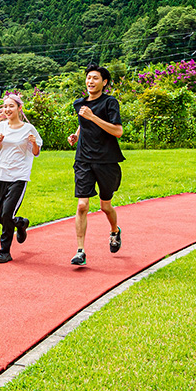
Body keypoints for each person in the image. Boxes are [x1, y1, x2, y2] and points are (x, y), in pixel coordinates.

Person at [67, 65, 125, 266]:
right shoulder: (80, 104)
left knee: (105, 206)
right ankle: (80, 251)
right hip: (83, 159)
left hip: (107, 161)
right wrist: (77, 134)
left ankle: (115, 230)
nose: (90, 81)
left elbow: (118, 131)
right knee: (82, 205)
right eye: (88, 78)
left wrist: (92, 117)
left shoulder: (110, 103)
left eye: (95, 78)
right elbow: (84, 124)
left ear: (104, 82)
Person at [0, 93, 43, 263]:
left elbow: (36, 152)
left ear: (19, 108)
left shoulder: (29, 129)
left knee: (7, 212)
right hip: (0, 174)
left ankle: (5, 251)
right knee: (1, 216)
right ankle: (20, 223)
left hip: (18, 176)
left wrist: (34, 143)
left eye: (11, 106)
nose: (7, 109)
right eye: (5, 106)